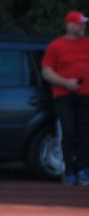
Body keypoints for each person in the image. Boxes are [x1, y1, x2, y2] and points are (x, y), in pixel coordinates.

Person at [41, 10, 89, 185]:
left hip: (86, 95)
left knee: (85, 133)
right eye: (79, 23)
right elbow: (47, 71)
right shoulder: (56, 46)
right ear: (70, 25)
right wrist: (66, 82)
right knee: (68, 132)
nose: (83, 26)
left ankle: (82, 168)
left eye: (84, 24)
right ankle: (68, 170)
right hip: (64, 96)